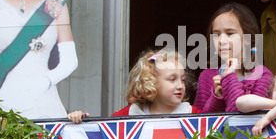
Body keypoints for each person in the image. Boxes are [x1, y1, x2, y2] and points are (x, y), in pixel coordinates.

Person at [68, 49, 200, 123]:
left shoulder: (192, 114)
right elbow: (102, 134)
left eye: (182, 80)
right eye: (172, 79)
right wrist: (81, 120)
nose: (180, 86)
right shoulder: (130, 114)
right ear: (151, 82)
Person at [193, 2, 273, 113]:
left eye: (230, 33)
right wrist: (216, 96)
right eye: (216, 35)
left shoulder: (262, 75)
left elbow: (242, 120)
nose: (222, 41)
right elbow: (200, 123)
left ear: (247, 38)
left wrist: (230, 77)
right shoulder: (206, 76)